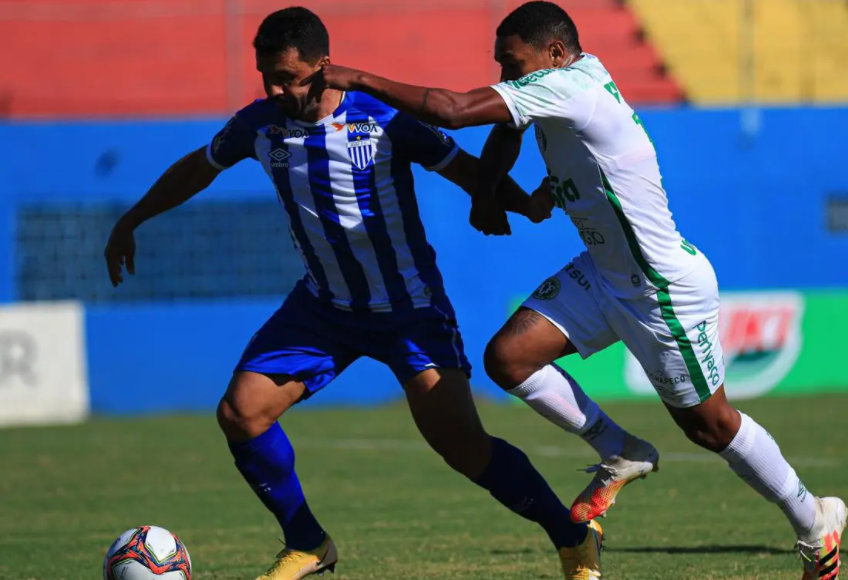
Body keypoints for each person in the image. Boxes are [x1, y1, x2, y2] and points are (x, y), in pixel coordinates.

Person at [311, 2, 848, 579]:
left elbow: (453, 109)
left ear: (555, 54)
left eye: (511, 64)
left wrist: (359, 78)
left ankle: (814, 520)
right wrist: (487, 191)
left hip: (658, 286)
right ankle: (621, 451)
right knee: (508, 357)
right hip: (602, 271)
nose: (503, 76)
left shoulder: (571, 87)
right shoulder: (554, 85)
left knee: (709, 425)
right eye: (499, 65)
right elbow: (504, 130)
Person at [103, 7, 606, 580]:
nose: (275, 88)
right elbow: (199, 167)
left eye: (288, 77)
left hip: (409, 309)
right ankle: (308, 543)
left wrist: (518, 202)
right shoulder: (259, 124)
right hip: (324, 308)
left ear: (323, 68)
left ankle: (573, 538)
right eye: (266, 75)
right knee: (242, 414)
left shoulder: (384, 119)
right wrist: (132, 219)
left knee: (463, 448)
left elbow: (463, 167)